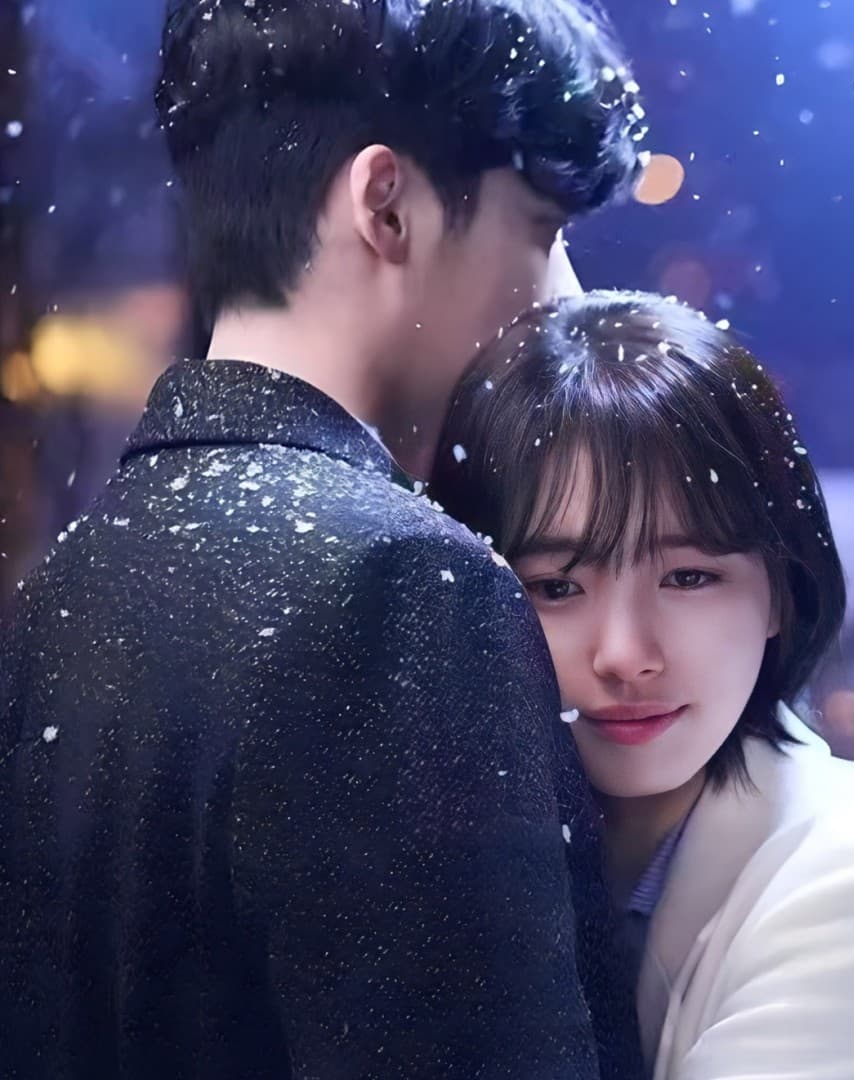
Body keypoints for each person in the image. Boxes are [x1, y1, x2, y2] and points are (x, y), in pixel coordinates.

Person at [0, 2, 646, 1076]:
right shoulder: (402, 584)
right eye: (542, 229)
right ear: (386, 205)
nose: (566, 294)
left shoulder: (73, 578)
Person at [430, 290, 854, 1079]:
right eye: (557, 587)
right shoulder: (466, 856)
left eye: (689, 577)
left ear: (781, 591)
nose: (626, 655)